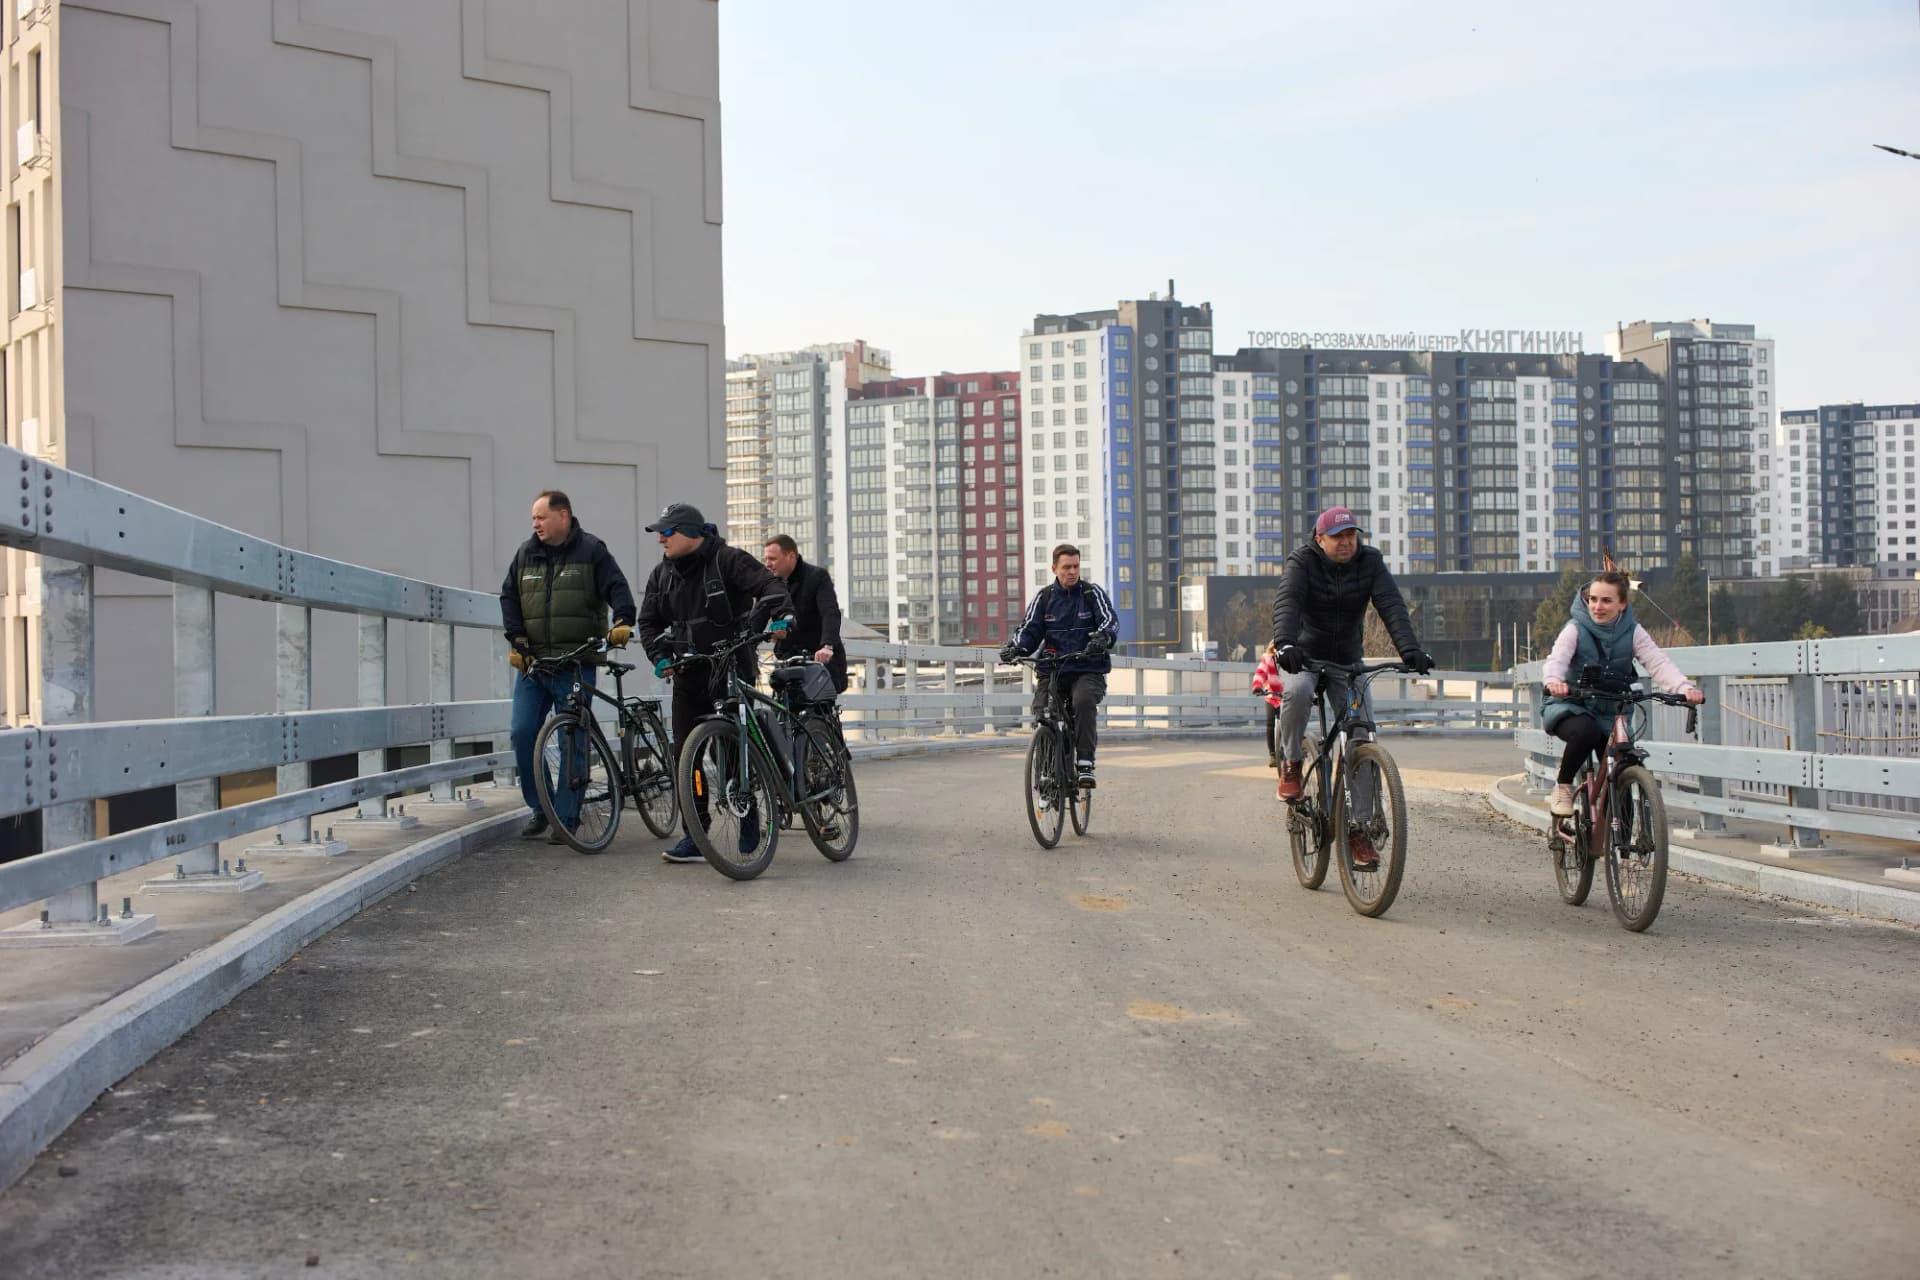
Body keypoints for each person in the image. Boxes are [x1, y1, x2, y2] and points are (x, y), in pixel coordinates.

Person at [1270, 506, 1435, 867]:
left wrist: (1410, 651)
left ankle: (1358, 830)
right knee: (1296, 692)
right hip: (1305, 657)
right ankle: (1293, 763)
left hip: (1348, 661)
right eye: (1338, 537)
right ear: (1320, 539)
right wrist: (1285, 644)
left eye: (1351, 535)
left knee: (1362, 738)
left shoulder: (1370, 562)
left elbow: (1391, 605)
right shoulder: (1302, 563)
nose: (1347, 542)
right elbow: (1288, 603)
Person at [636, 503, 793, 863]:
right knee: (684, 758)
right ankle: (695, 834)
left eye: (668, 531)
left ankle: (749, 813)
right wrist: (659, 657)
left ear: (691, 534)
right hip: (689, 674)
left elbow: (769, 584)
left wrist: (782, 615)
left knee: (734, 750)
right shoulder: (662, 575)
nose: (661, 538)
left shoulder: (727, 560)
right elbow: (648, 623)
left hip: (731, 667)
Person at [499, 490, 636, 843]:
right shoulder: (525, 554)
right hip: (535, 664)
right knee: (522, 731)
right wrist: (517, 640)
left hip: (575, 662)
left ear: (563, 516)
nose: (535, 524)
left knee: (570, 738)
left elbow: (617, 587)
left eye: (541, 517)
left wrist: (623, 619)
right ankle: (540, 807)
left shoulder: (591, 550)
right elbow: (509, 596)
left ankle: (567, 816)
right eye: (533, 518)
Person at [1540, 570, 1702, 817]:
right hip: (1571, 704)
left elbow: (1657, 662)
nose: (1598, 606)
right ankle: (1563, 786)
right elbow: (1557, 659)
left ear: (1622, 603)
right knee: (1586, 732)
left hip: (1611, 709)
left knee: (1622, 766)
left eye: (1606, 600)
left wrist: (1683, 688)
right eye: (1593, 599)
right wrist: (1553, 681)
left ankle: (1623, 851)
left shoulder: (1633, 631)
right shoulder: (1575, 628)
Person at [999, 544, 1118, 788]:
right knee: (1043, 712)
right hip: (1052, 669)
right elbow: (1029, 631)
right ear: (1055, 568)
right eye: (1066, 567)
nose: (1072, 571)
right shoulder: (1044, 598)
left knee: (1083, 700)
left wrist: (1103, 638)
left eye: (1076, 566)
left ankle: (1085, 762)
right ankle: (1046, 773)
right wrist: (1014, 648)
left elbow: (1110, 620)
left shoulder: (1091, 594)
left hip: (1087, 668)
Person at [762, 534, 847, 695]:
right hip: (787, 658)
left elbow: (830, 613)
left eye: (773, 559)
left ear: (791, 556)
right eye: (766, 559)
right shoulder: (770, 585)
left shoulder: (816, 577)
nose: (767, 564)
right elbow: (759, 616)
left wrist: (827, 646)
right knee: (780, 709)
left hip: (817, 658)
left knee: (816, 708)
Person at [1251, 642, 1282, 769]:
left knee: (1290, 723)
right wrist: (1257, 686)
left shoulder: (1291, 658)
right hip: (1271, 696)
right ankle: (1273, 754)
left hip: (1287, 696)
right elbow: (1260, 673)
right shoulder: (1268, 658)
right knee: (1270, 723)